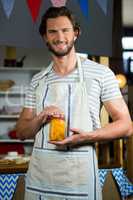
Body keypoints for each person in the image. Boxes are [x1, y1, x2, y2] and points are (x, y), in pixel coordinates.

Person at [16, 6, 133, 200]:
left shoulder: (101, 74)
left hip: (80, 178)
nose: (59, 37)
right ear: (45, 37)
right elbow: (21, 131)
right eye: (52, 31)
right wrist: (41, 117)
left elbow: (126, 126)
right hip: (40, 179)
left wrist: (86, 137)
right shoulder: (37, 80)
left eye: (65, 30)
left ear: (76, 34)